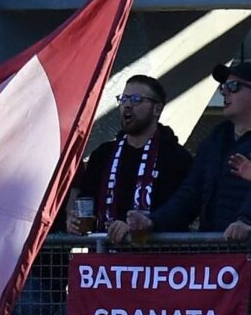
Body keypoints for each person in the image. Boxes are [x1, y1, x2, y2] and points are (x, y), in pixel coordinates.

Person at [136, 60, 251, 240]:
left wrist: (246, 220)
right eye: (223, 87)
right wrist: (152, 221)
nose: (224, 92)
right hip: (217, 248)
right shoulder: (216, 140)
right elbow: (190, 195)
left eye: (233, 86)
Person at [82, 74, 191, 233]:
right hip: (104, 247)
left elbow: (181, 210)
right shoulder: (102, 155)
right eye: (123, 99)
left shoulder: (177, 158)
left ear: (157, 109)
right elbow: (86, 201)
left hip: (154, 248)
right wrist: (75, 221)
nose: (127, 105)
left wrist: (144, 225)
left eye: (136, 99)